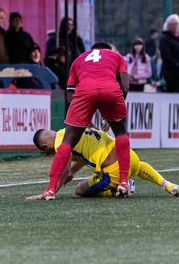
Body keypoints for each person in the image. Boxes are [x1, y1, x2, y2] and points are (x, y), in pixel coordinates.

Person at [27, 42, 131, 200]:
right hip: (110, 89)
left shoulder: (79, 59)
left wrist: (80, 115)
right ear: (107, 51)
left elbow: (70, 92)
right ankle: (124, 182)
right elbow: (124, 85)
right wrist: (114, 114)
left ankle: (50, 191)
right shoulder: (116, 56)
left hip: (83, 92)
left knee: (67, 142)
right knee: (121, 133)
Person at [30, 128, 179, 198]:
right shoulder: (70, 130)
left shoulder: (60, 145)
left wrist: (50, 192)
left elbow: (63, 173)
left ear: (45, 147)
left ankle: (119, 188)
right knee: (137, 166)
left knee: (79, 190)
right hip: (129, 156)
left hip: (114, 173)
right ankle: (166, 184)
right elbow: (81, 159)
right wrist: (73, 171)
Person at [159, 14, 179, 93]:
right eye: (174, 24)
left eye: (177, 24)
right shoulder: (165, 39)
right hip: (174, 75)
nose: (176, 26)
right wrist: (177, 65)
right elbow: (166, 55)